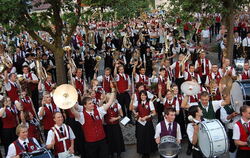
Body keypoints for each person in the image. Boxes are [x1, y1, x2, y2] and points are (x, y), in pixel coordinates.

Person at [71, 86, 115, 158]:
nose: (92, 104)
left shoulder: (99, 111)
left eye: (92, 103)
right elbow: (73, 111)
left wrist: (113, 90)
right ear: (85, 105)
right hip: (91, 143)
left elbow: (109, 102)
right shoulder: (82, 115)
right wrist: (69, 102)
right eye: (90, 103)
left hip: (102, 141)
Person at [131, 90, 157, 158]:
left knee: (148, 137)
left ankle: (148, 151)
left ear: (146, 96)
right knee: (141, 137)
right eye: (142, 95)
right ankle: (142, 151)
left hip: (148, 122)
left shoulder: (150, 102)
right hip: (140, 122)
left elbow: (154, 113)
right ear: (140, 96)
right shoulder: (137, 103)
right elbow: (131, 108)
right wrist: (132, 100)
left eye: (144, 95)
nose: (143, 96)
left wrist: (147, 116)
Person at [104, 93, 125, 158]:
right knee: (110, 139)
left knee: (117, 138)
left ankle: (118, 152)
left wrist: (115, 118)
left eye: (112, 98)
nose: (112, 99)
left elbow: (122, 115)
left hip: (116, 125)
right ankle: (111, 152)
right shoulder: (105, 105)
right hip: (108, 126)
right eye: (110, 98)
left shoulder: (117, 105)